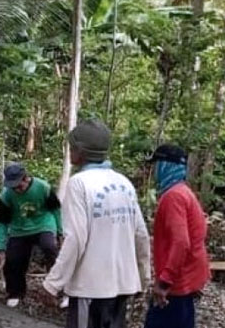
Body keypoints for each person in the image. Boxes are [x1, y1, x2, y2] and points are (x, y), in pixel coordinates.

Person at [43, 120, 150, 328]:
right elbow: (141, 235)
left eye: (72, 147)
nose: (70, 151)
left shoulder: (79, 183)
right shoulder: (123, 182)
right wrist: (144, 277)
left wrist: (53, 283)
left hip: (91, 287)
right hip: (123, 286)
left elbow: (75, 239)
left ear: (81, 151)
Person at [143, 144, 210, 328]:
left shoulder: (173, 197)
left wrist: (164, 282)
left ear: (166, 165)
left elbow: (181, 243)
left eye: (156, 164)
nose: (154, 170)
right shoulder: (184, 192)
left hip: (176, 284)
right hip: (185, 279)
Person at [0, 162, 62, 308]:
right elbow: (1, 222)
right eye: (13, 187)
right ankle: (15, 292)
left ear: (26, 178)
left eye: (19, 186)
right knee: (13, 259)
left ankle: (57, 288)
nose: (17, 190)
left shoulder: (43, 187)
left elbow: (55, 209)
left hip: (44, 223)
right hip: (19, 228)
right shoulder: (6, 196)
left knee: (50, 248)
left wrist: (60, 232)